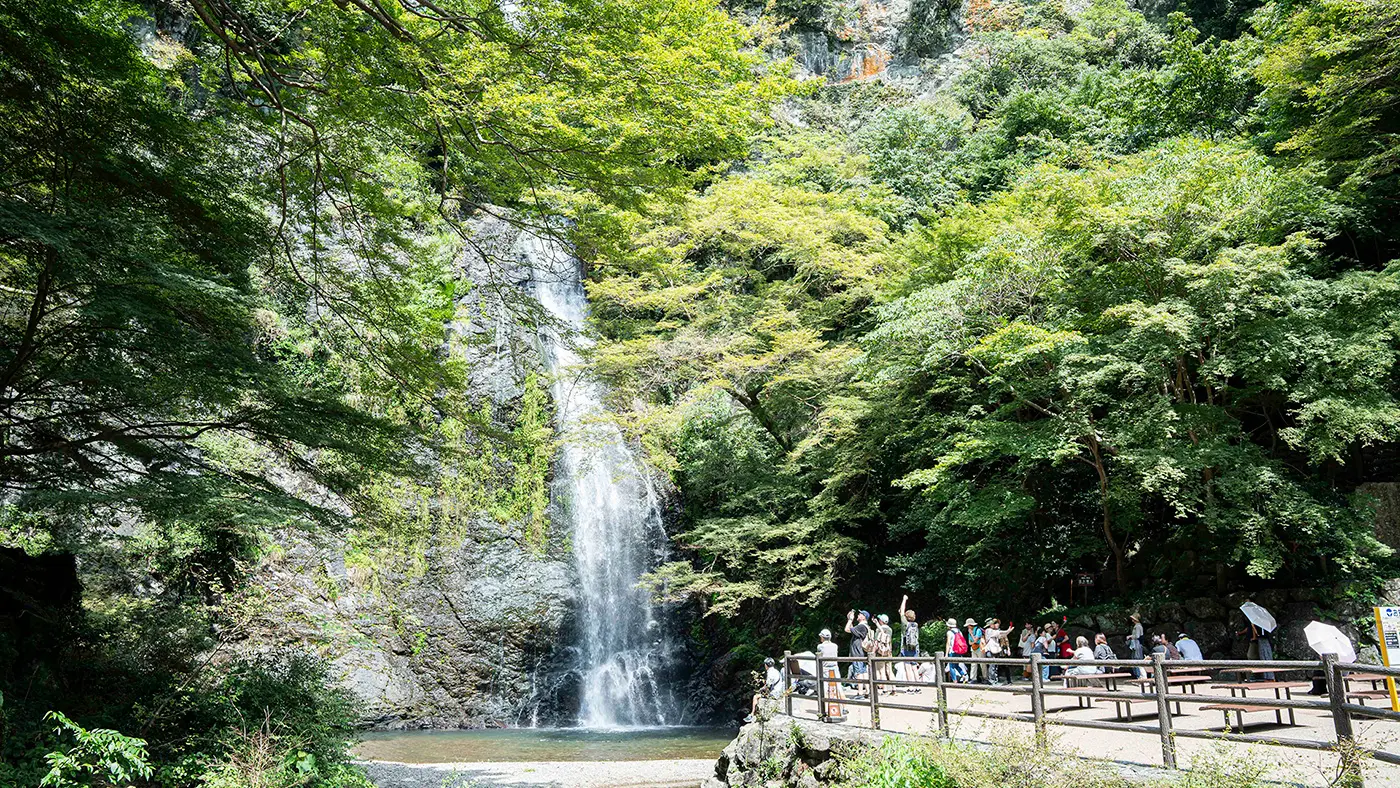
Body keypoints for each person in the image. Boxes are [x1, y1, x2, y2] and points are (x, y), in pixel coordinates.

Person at [1239, 604, 1276, 680]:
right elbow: (1249, 628)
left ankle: (1266, 676)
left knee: (1260, 656)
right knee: (1257, 656)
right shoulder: (1253, 619)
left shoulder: (1258, 620)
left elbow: (1256, 631)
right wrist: (1241, 633)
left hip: (1260, 639)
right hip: (1257, 639)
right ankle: (1258, 676)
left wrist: (1254, 636)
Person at [817, 629, 844, 719]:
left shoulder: (820, 646)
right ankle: (843, 707)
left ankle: (826, 708)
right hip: (835, 667)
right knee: (838, 687)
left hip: (825, 668)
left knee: (825, 688)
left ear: (822, 637)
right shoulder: (835, 646)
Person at [746, 657, 784, 722]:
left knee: (755, 697)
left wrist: (761, 689)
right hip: (779, 691)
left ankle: (752, 714)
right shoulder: (776, 671)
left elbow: (768, 686)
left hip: (774, 694)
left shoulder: (770, 673)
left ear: (766, 665)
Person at [845, 609, 871, 694]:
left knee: (858, 672)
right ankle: (867, 691)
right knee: (863, 671)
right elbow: (851, 630)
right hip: (861, 652)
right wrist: (849, 618)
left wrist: (850, 619)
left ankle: (860, 692)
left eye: (860, 614)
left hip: (857, 652)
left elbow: (846, 629)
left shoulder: (861, 626)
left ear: (863, 617)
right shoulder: (864, 626)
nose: (858, 615)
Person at [983, 618, 1016, 685]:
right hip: (990, 650)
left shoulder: (993, 631)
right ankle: (992, 681)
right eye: (993, 624)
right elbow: (1000, 632)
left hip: (995, 651)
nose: (994, 625)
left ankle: (995, 681)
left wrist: (1008, 631)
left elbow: (1002, 635)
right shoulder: (988, 630)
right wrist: (1007, 630)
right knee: (992, 666)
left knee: (995, 666)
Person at [898, 596, 920, 686]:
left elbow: (902, 611)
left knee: (908, 667)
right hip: (915, 647)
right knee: (914, 667)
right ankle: (918, 686)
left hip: (906, 648)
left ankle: (911, 687)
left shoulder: (905, 624)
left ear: (906, 617)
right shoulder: (915, 624)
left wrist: (904, 599)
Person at [874, 613, 895, 688]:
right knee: (890, 670)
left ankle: (885, 688)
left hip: (880, 652)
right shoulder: (890, 629)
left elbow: (876, 641)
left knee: (882, 670)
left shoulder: (878, 629)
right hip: (888, 651)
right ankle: (893, 688)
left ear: (881, 621)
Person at [945, 618, 968, 683]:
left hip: (952, 651)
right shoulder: (959, 631)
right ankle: (963, 675)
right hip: (958, 651)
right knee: (956, 665)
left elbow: (948, 643)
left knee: (951, 666)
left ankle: (954, 681)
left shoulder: (949, 632)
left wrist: (946, 654)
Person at [965, 618, 985, 684]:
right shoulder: (969, 632)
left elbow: (975, 640)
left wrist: (971, 634)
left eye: (968, 625)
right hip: (973, 649)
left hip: (980, 648)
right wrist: (973, 641)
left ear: (971, 625)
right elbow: (970, 642)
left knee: (982, 664)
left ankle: (985, 678)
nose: (968, 627)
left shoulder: (978, 630)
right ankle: (973, 678)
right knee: (973, 663)